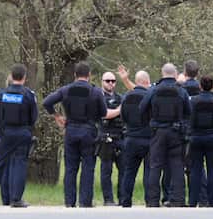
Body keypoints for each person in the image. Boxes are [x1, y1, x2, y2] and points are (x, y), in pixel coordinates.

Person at [42, 62, 107, 208]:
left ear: (74, 75)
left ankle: (69, 202)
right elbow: (103, 112)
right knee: (88, 167)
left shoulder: (66, 90)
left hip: (70, 130)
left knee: (70, 168)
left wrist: (57, 116)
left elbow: (47, 102)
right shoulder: (95, 92)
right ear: (89, 75)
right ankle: (85, 202)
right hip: (88, 132)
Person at [0, 64, 36, 208]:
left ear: (11, 76)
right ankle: (16, 199)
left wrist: (1, 132)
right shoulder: (28, 95)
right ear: (24, 77)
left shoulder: (2, 94)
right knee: (19, 164)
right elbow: (33, 117)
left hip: (6, 133)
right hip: (23, 132)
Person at [142, 62, 191, 207]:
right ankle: (178, 199)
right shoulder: (181, 91)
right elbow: (189, 111)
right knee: (177, 165)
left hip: (158, 132)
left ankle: (152, 200)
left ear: (162, 73)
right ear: (175, 74)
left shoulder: (153, 90)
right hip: (176, 132)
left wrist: (151, 122)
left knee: (155, 165)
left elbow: (142, 108)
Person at [116, 68, 153, 206]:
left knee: (129, 171)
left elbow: (123, 117)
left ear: (136, 82)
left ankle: (126, 201)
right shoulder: (150, 96)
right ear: (147, 82)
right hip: (148, 138)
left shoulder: (126, 97)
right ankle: (150, 200)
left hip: (131, 138)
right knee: (149, 171)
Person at [187, 75, 213, 206]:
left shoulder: (192, 101)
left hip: (196, 138)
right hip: (212, 138)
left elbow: (189, 117)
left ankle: (193, 201)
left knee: (196, 170)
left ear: (200, 86)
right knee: (212, 169)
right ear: (212, 86)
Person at [97, 70, 124, 205]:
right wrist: (119, 110)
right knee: (106, 170)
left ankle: (122, 198)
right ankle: (108, 199)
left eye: (113, 81)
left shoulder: (120, 97)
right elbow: (104, 114)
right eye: (108, 81)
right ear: (102, 82)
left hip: (120, 136)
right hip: (105, 137)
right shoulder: (99, 97)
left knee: (123, 169)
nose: (111, 83)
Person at [180, 60, 204, 206]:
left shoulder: (180, 89)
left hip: (183, 131)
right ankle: (203, 197)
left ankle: (177, 197)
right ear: (197, 73)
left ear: (184, 72)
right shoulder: (202, 89)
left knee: (178, 166)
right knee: (198, 167)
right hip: (199, 130)